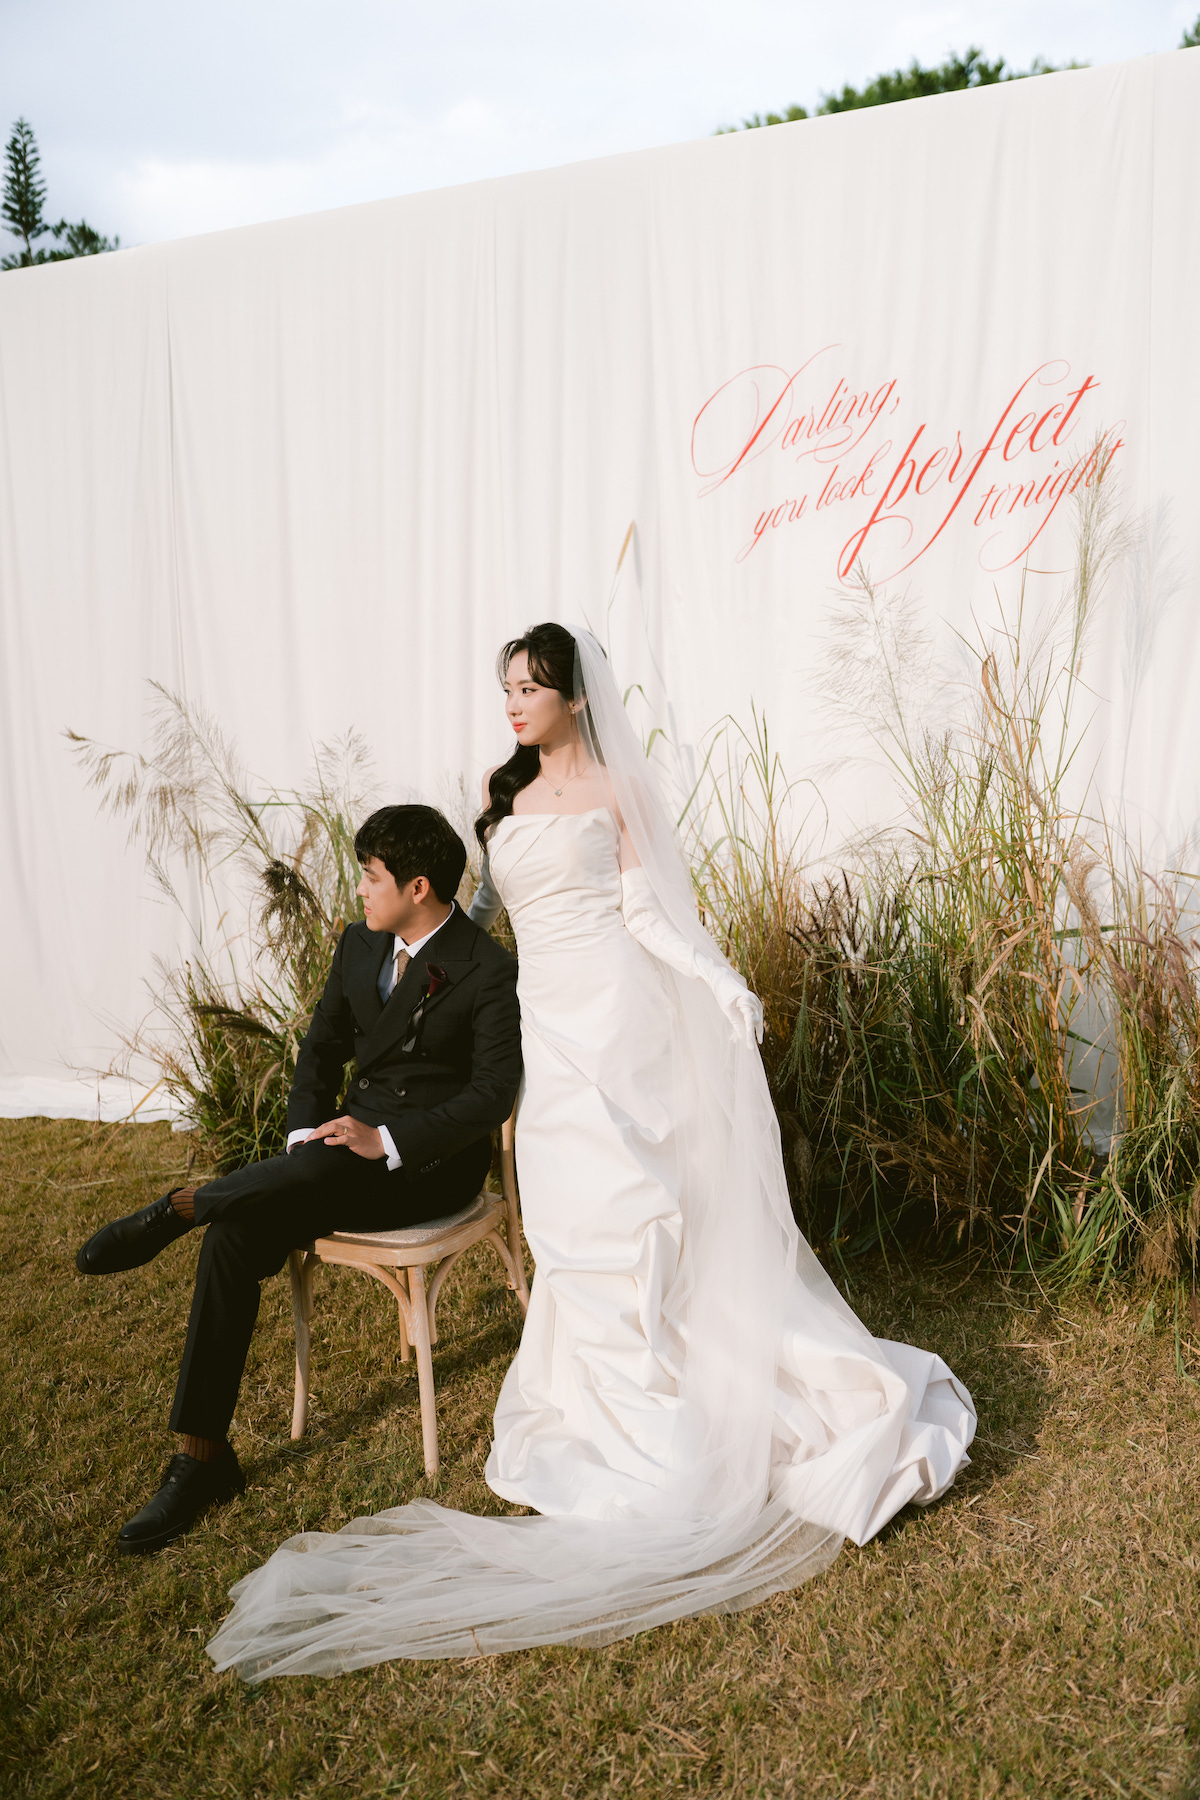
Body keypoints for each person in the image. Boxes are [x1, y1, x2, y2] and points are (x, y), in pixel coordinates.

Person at [206, 625, 975, 1679]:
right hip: (544, 1028)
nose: (514, 703)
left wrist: (717, 983)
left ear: (575, 694)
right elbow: (480, 908)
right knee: (566, 1215)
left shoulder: (620, 790)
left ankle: (666, 1395)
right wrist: (414, 957)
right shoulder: (500, 787)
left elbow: (649, 915)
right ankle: (597, 1396)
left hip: (616, 1018)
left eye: (531, 687)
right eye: (506, 687)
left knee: (636, 1206)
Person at [75, 804, 522, 1554]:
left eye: (371, 877)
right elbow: (318, 1055)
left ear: (418, 886)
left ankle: (184, 1206)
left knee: (303, 1173)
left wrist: (385, 1139)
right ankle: (201, 1457)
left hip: (426, 1165)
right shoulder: (358, 945)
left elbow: (492, 1094)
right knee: (237, 1235)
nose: (359, 890)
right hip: (333, 1152)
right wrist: (300, 1134)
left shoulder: (484, 963)